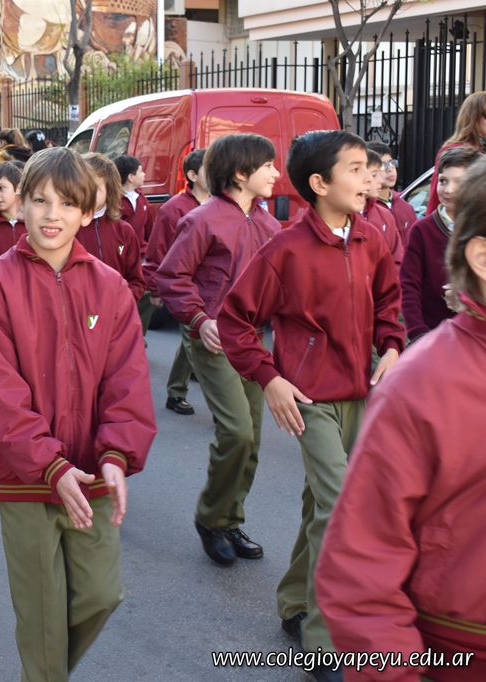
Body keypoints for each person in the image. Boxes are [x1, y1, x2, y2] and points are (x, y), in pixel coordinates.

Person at [0, 147, 156, 680]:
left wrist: (116, 455)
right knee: (42, 615)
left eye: (68, 204)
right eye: (41, 201)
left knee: (102, 593)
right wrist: (49, 465)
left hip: (91, 470)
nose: (52, 215)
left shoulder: (110, 286)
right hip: (24, 474)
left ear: (88, 212)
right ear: (20, 205)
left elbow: (127, 380)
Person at [218, 131, 404, 664]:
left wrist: (392, 345)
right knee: (342, 507)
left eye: (369, 168)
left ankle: (294, 602)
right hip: (310, 398)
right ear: (319, 184)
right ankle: (322, 642)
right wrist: (269, 378)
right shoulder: (285, 249)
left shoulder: (371, 239)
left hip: (361, 395)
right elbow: (234, 321)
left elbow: (389, 303)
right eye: (355, 169)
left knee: (320, 505)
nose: (369, 178)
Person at [316, 157, 486, 682]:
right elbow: (362, 572)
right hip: (458, 654)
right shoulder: (426, 385)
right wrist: (404, 341)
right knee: (322, 497)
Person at [154, 133, 281, 567]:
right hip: (213, 338)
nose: (276, 173)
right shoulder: (202, 220)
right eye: (268, 165)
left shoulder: (268, 223)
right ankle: (210, 520)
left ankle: (230, 519)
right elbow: (171, 276)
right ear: (241, 173)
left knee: (253, 438)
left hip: (252, 339)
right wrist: (198, 319)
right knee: (237, 432)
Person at [143, 148, 208, 416]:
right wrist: (155, 288)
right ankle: (224, 408)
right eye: (209, 168)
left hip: (211, 287)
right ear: (192, 175)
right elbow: (158, 249)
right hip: (183, 287)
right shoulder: (173, 209)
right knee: (197, 340)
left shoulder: (222, 204)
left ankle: (177, 390)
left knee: (192, 339)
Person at [400, 146, 480, 342]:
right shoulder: (422, 230)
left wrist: (467, 295)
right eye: (443, 181)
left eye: (459, 182)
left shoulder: (480, 229)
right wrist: (418, 333)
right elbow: (408, 286)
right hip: (433, 336)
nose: (448, 189)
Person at [79, 153, 147, 301]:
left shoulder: (124, 231)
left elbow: (136, 280)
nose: (86, 193)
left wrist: (122, 304)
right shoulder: (68, 230)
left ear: (109, 190)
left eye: (94, 188)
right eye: (80, 187)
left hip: (118, 309)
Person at [425, 91, 486, 215]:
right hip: (456, 222)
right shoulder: (454, 150)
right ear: (473, 117)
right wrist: (432, 223)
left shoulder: (480, 148)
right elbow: (437, 196)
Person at [362, 149, 405, 269]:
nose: (380, 180)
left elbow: (397, 258)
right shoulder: (345, 216)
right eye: (374, 174)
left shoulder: (390, 213)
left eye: (391, 163)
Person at [365, 141, 417, 239]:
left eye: (391, 163)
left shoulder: (405, 206)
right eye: (382, 165)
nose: (390, 169)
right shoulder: (365, 210)